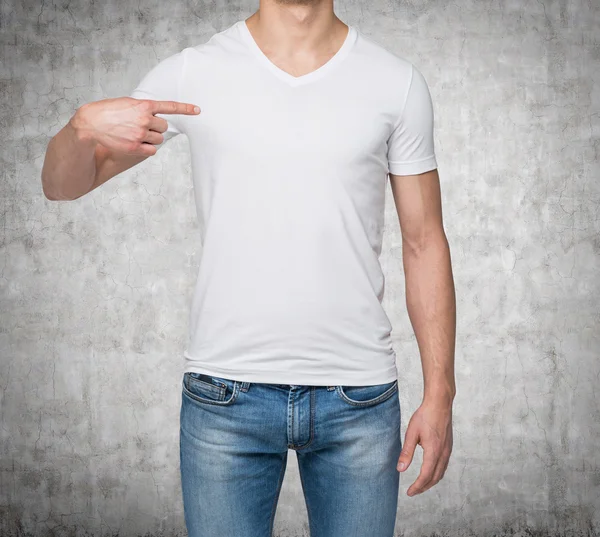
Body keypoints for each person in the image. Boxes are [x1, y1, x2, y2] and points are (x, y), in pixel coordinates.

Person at [41, 0, 456, 535]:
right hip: (224, 399)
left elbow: (425, 242)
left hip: (359, 400)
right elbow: (62, 185)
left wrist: (441, 391)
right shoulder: (195, 73)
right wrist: (79, 129)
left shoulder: (395, 83)